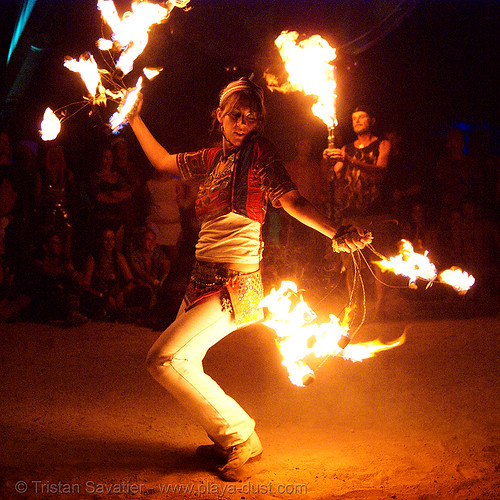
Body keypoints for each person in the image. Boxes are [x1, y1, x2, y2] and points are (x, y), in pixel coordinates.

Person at [128, 77, 372, 481]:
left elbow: (290, 200)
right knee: (184, 359)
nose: (244, 123)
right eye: (236, 115)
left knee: (165, 359)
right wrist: (134, 118)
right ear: (219, 115)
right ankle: (228, 436)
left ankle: (241, 436)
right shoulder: (211, 158)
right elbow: (162, 162)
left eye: (252, 117)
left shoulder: (259, 152)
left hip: (233, 282)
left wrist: (335, 232)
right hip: (200, 279)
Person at [323, 105, 393, 319]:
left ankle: (380, 308)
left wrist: (350, 161)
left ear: (371, 120)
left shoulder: (382, 144)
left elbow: (381, 172)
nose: (357, 121)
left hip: (377, 212)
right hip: (351, 213)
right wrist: (327, 160)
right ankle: (354, 308)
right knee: (351, 263)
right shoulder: (345, 149)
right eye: (354, 118)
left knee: (380, 262)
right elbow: (332, 176)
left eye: (362, 117)